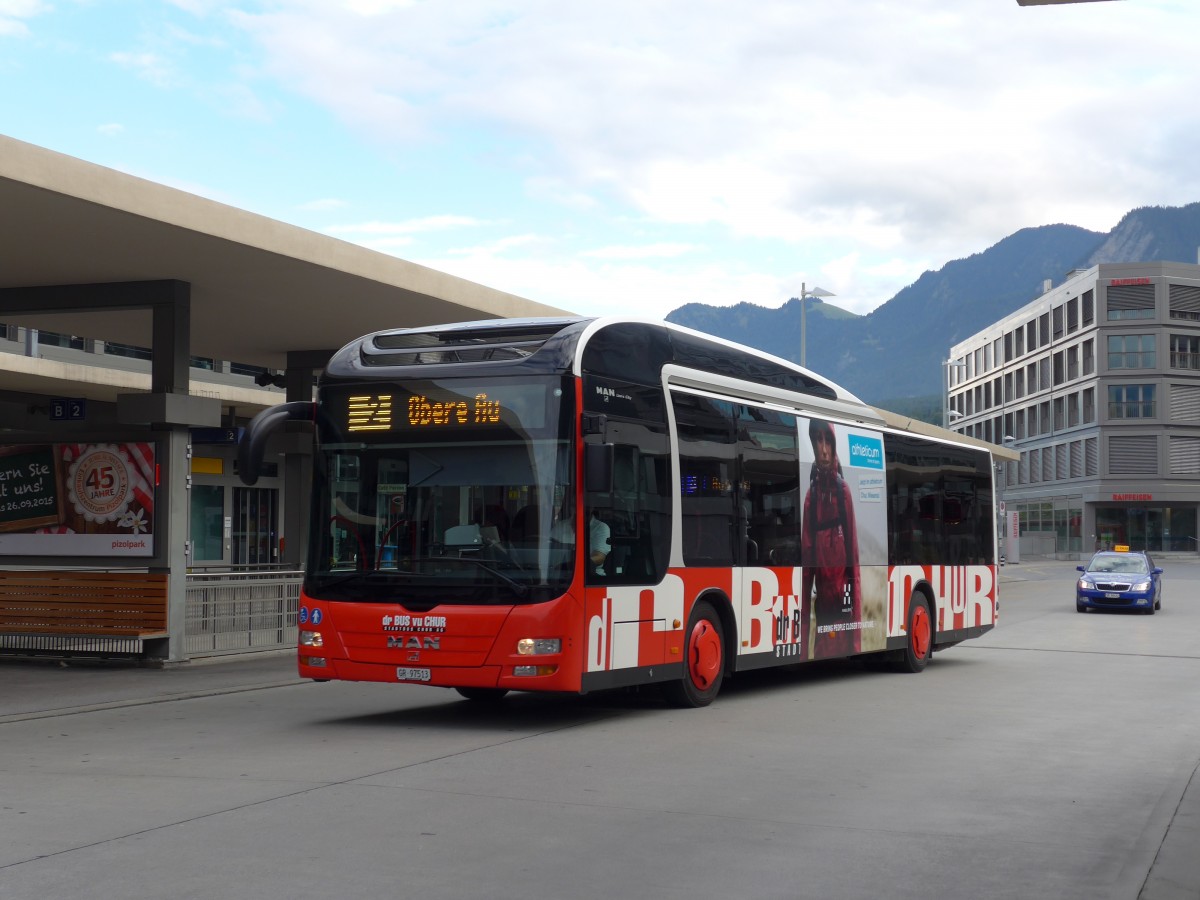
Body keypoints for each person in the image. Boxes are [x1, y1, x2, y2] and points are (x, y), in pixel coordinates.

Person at [800, 419, 861, 658]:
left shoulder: (842, 492)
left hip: (843, 609)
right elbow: (806, 573)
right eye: (818, 440)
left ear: (834, 445)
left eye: (828, 441)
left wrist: (857, 644)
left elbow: (854, 565)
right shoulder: (811, 498)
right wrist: (801, 651)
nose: (824, 449)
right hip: (823, 613)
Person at [550, 503, 611, 575]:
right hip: (559, 574)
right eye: (574, 505)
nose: (580, 508)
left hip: (590, 575)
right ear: (570, 507)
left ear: (592, 507)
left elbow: (599, 557)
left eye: (586, 505)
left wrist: (570, 565)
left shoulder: (600, 527)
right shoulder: (561, 525)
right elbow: (548, 548)